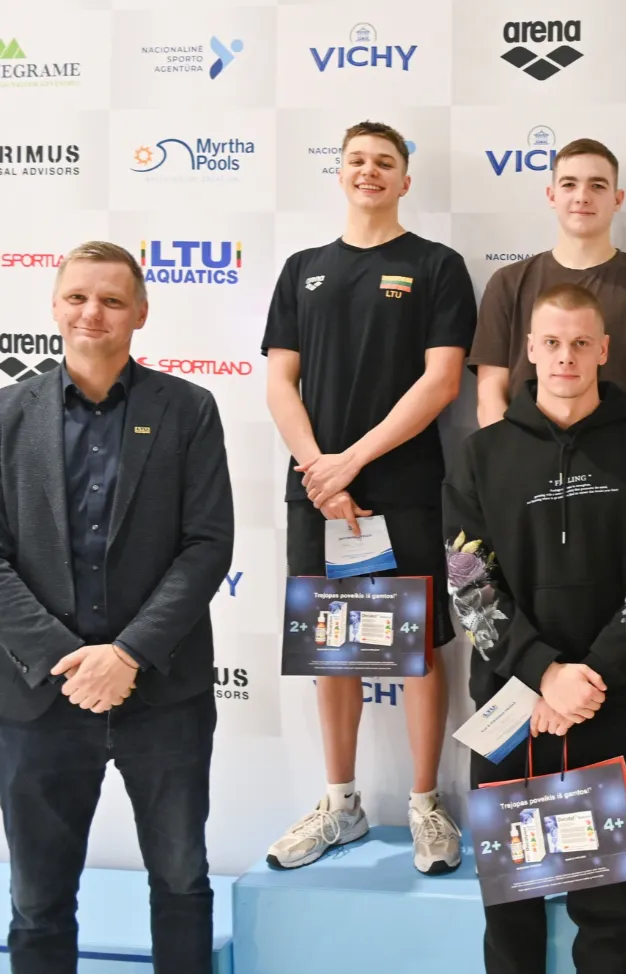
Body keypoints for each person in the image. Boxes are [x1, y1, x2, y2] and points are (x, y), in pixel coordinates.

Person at [0, 241, 234, 972]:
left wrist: (127, 654)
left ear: (140, 311)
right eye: (77, 297)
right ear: (54, 306)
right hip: (38, 697)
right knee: (37, 904)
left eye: (109, 299)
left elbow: (206, 545)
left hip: (163, 692)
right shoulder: (7, 414)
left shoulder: (189, 408)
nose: (91, 312)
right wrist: (65, 660)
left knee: (180, 883)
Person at [444, 282, 626, 974]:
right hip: (510, 705)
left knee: (610, 908)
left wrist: (590, 677)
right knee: (511, 909)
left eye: (581, 343)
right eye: (551, 343)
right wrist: (544, 673)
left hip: (612, 700)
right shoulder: (479, 455)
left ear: (605, 350)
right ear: (529, 350)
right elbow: (469, 581)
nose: (566, 357)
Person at [261, 120, 477, 873]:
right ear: (340, 171)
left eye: (385, 162)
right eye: (356, 160)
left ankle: (425, 803)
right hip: (317, 491)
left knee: (418, 650)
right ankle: (341, 803)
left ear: (405, 179)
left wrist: (350, 461)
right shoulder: (302, 269)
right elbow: (279, 381)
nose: (369, 172)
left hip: (403, 490)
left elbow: (443, 381)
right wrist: (319, 468)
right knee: (333, 649)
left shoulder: (437, 265)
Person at [469, 138, 626, 428]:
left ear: (618, 199)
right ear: (551, 195)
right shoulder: (508, 283)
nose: (582, 196)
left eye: (597, 185)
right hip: (525, 465)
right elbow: (490, 397)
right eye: (569, 184)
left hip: (621, 464)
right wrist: (514, 463)